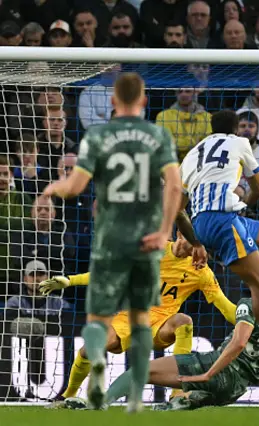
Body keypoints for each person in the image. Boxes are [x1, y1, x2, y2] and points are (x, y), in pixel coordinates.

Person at [42, 73, 185, 413]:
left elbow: (75, 187)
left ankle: (93, 380)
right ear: (145, 101)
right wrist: (165, 230)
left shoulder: (98, 136)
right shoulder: (157, 135)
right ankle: (134, 393)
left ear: (111, 101)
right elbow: (176, 188)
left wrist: (53, 189)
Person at [40, 233, 237, 406]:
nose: (197, 248)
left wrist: (249, 321)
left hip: (161, 325)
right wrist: (70, 281)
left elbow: (224, 306)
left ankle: (178, 392)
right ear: (179, 234)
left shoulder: (201, 271)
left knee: (184, 321)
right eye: (193, 240)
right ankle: (67, 395)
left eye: (200, 244)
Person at [63, 271, 259, 411]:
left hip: (217, 369)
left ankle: (100, 402)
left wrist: (208, 373)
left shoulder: (251, 304)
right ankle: (180, 401)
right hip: (237, 389)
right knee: (173, 408)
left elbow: (238, 343)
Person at [180, 110, 259, 378]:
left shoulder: (190, 156)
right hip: (225, 220)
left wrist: (195, 242)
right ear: (236, 129)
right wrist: (245, 204)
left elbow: (178, 210)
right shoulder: (240, 143)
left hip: (203, 222)